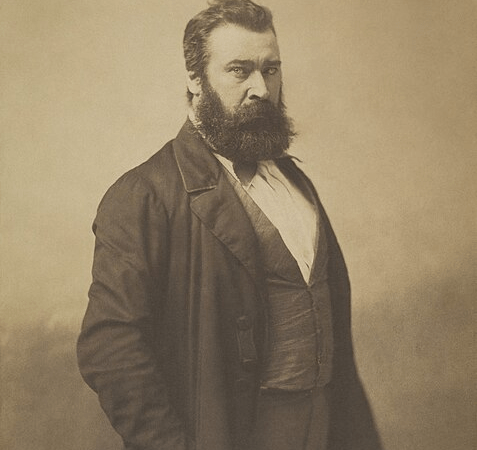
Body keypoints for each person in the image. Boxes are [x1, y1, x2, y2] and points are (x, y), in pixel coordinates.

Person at [77, 1, 382, 449]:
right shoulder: (144, 195)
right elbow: (110, 350)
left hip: (327, 427)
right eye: (239, 71)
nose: (261, 88)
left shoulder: (294, 180)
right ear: (194, 79)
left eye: (271, 70)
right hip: (231, 433)